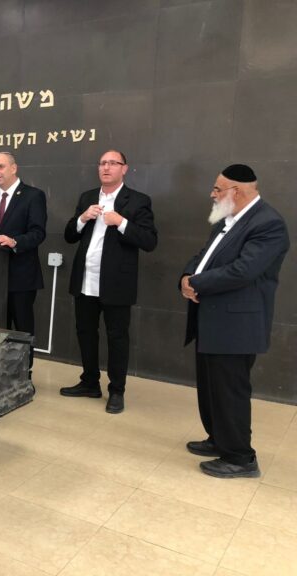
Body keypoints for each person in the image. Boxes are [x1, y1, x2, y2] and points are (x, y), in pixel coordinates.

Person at [180, 164, 289, 478]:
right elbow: (204, 255)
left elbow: (243, 271)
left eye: (217, 189)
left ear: (237, 191)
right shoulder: (226, 219)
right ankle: (219, 439)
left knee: (230, 392)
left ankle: (241, 458)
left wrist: (197, 284)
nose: (212, 194)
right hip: (212, 320)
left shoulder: (268, 224)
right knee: (211, 388)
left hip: (236, 326)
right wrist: (186, 277)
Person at [60, 150, 158, 414]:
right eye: (102, 163)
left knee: (117, 338)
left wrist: (121, 222)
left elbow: (149, 241)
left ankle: (117, 390)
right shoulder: (87, 197)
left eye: (113, 163)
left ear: (124, 168)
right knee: (85, 332)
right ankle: (90, 382)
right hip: (85, 280)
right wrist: (82, 218)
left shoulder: (138, 200)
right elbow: (69, 235)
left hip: (116, 283)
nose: (106, 167)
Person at [0, 152, 46, 365]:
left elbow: (38, 233)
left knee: (22, 330)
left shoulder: (33, 196)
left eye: (1, 167)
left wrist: (14, 241)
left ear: (14, 168)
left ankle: (24, 373)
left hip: (21, 277)